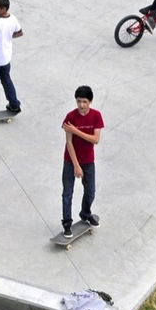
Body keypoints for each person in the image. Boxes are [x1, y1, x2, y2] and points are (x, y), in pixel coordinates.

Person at [61, 85, 105, 235]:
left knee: (91, 191)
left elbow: (95, 140)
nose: (81, 105)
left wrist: (76, 130)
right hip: (70, 160)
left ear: (90, 102)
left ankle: (85, 214)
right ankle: (67, 223)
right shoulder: (70, 117)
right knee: (67, 193)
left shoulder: (96, 116)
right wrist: (76, 166)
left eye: (84, 101)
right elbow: (69, 143)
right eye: (79, 101)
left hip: (88, 160)